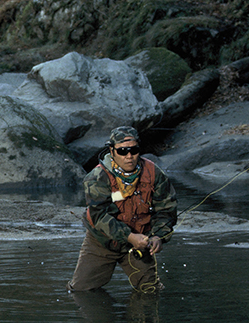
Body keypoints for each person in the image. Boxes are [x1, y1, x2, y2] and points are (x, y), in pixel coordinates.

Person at [67, 126, 177, 293]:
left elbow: (167, 209)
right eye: (123, 151)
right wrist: (129, 236)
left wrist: (158, 236)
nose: (129, 156)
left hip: (140, 242)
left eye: (134, 150)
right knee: (80, 291)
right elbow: (98, 216)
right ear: (112, 151)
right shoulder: (97, 177)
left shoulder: (154, 173)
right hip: (102, 242)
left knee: (151, 291)